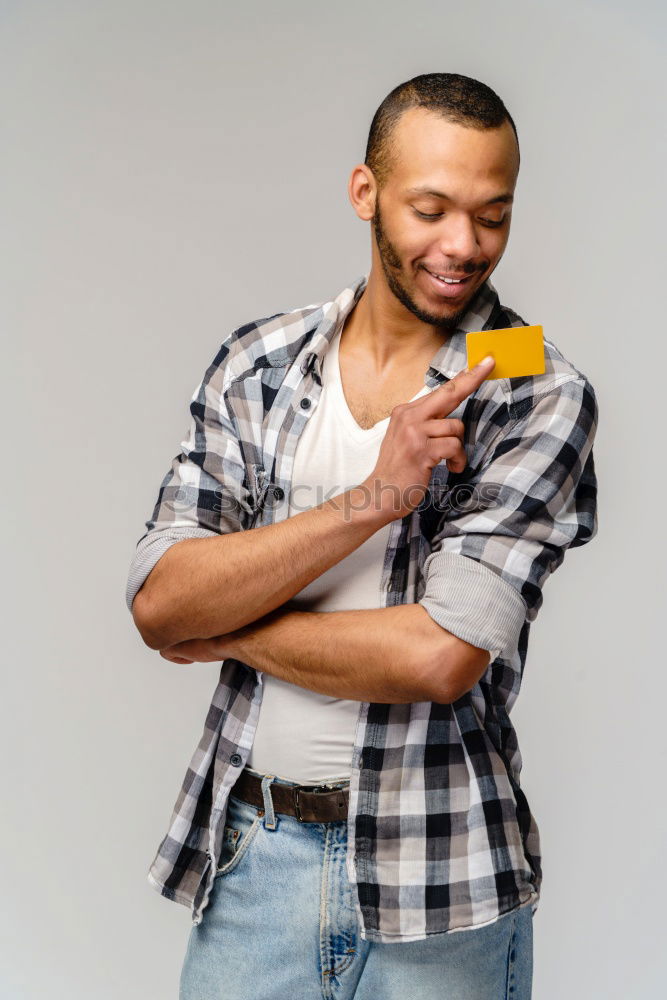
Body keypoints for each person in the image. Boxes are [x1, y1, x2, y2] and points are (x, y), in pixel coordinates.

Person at [126, 72, 598, 999]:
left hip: (443, 882)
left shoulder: (536, 387)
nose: (461, 247)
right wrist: (374, 498)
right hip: (254, 866)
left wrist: (227, 633)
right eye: (430, 209)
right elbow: (160, 601)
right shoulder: (260, 361)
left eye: (491, 216)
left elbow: (437, 656)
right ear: (365, 192)